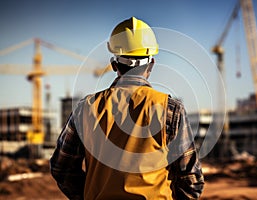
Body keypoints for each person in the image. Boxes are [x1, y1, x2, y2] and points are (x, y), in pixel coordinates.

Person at [50, 16, 204, 200]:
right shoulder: (170, 109)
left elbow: (62, 168)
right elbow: (191, 180)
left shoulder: (86, 108)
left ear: (114, 65)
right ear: (151, 64)